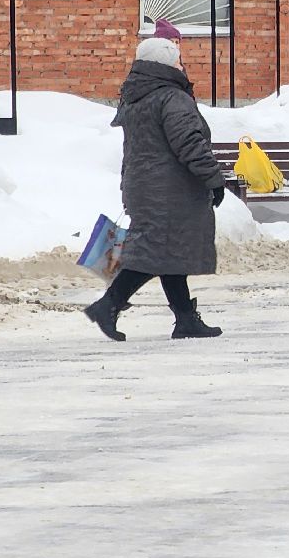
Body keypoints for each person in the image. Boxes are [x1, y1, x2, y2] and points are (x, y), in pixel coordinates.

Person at [84, 27, 226, 341]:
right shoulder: (171, 97)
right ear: (166, 65)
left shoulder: (136, 96)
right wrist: (214, 179)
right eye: (177, 61)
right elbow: (189, 142)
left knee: (167, 252)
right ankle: (109, 305)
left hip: (146, 186)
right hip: (168, 190)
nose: (181, 66)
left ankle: (186, 319)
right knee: (155, 253)